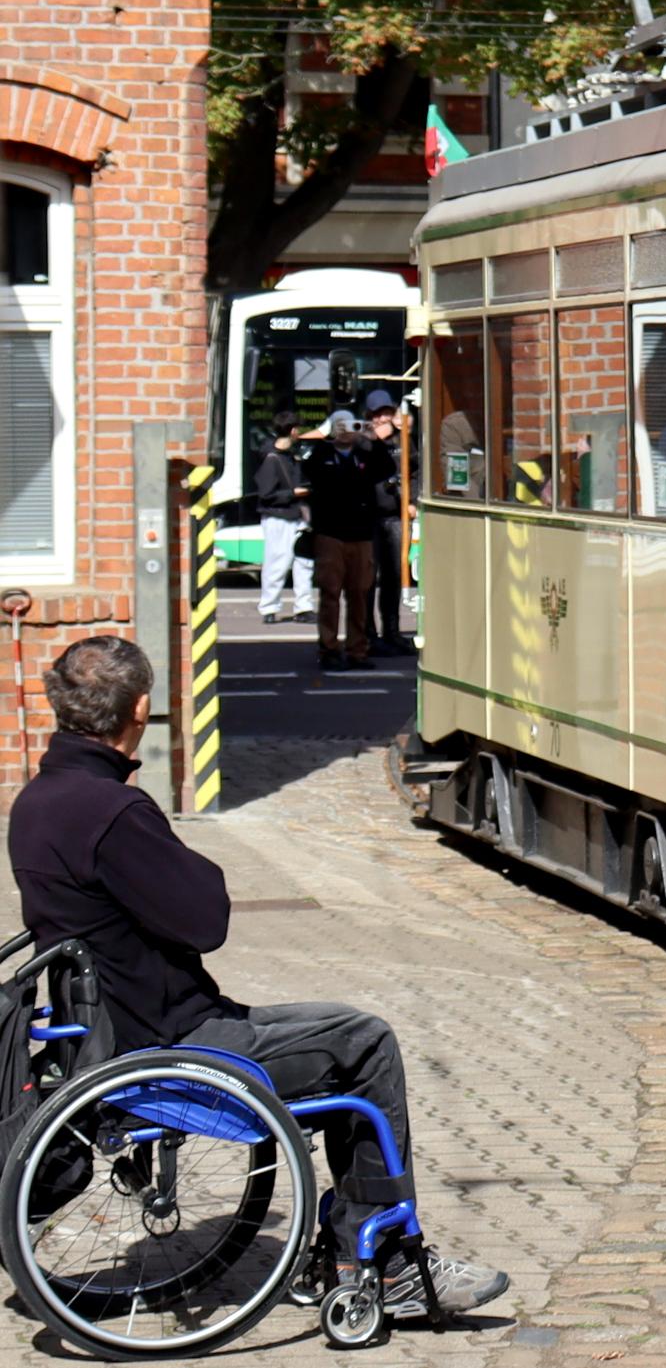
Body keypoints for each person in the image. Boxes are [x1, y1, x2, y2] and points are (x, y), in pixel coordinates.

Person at [7, 638, 509, 1314]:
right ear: (143, 709)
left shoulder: (35, 802)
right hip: (172, 1038)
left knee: (335, 1039)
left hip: (102, 1031)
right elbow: (205, 917)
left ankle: (345, 1248)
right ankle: (383, 1260)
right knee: (364, 1041)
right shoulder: (114, 813)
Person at [306, 411, 384, 671]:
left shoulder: (365, 454)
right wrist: (330, 437)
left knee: (360, 593)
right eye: (343, 426)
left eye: (352, 425)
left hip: (361, 534)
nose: (348, 430)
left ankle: (357, 650)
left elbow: (386, 469)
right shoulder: (321, 455)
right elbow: (313, 475)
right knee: (330, 592)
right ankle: (328, 649)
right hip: (330, 533)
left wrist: (373, 440)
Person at [252, 411, 314, 625]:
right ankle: (272, 606)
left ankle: (299, 606)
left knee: (303, 562)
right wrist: (294, 493)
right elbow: (266, 494)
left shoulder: (285, 455)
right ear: (293, 430)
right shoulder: (273, 459)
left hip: (292, 515)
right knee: (279, 562)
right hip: (279, 516)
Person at [363, 391, 412, 654]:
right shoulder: (362, 441)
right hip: (370, 516)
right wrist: (373, 440)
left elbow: (415, 470)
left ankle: (392, 631)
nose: (382, 418)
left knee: (393, 576)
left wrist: (412, 498)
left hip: (396, 515)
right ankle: (368, 635)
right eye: (376, 413)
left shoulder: (404, 440)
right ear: (368, 416)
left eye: (386, 412)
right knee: (368, 577)